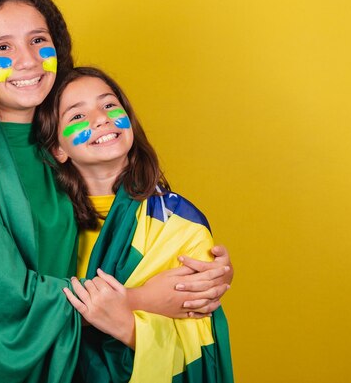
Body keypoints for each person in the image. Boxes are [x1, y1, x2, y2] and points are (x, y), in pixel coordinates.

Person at [0, 0, 233, 383]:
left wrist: (200, 270)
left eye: (38, 40)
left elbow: (124, 233)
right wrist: (140, 300)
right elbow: (0, 300)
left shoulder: (59, 147)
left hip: (70, 367)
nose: (27, 61)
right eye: (1, 48)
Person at [39, 66, 234, 382]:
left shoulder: (180, 226)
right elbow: (24, 313)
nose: (101, 118)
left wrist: (126, 326)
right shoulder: (44, 228)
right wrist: (137, 300)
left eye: (109, 105)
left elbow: (199, 350)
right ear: (57, 148)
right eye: (76, 116)